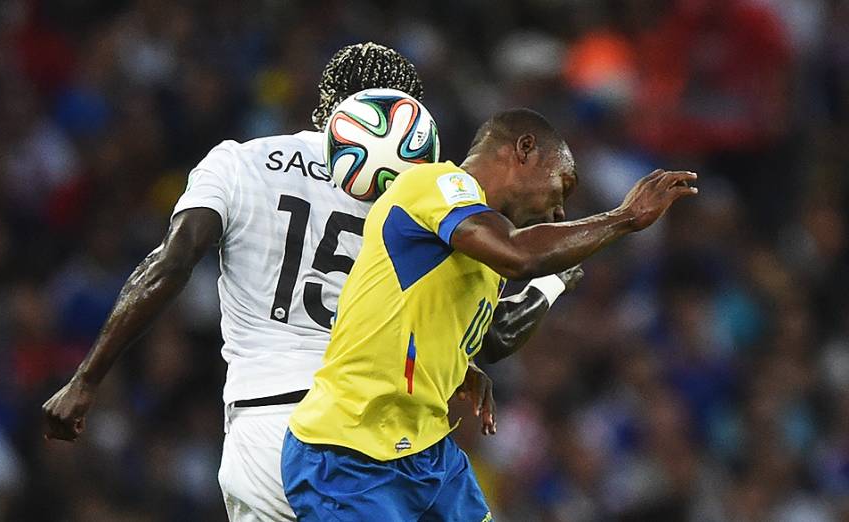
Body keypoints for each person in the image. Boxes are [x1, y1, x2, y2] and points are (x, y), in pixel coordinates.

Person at [42, 43, 579, 521]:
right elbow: (490, 330)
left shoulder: (240, 163)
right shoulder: (431, 195)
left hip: (261, 432)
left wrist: (87, 379)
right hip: (369, 432)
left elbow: (168, 265)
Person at [282, 108, 698, 521]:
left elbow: (495, 335)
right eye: (561, 188)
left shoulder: (481, 250)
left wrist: (465, 355)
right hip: (348, 452)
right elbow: (519, 254)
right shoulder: (435, 184)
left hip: (425, 453)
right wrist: (623, 217)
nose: (558, 213)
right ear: (525, 150)